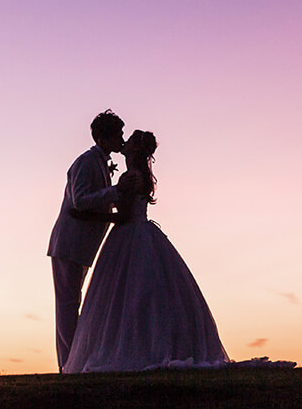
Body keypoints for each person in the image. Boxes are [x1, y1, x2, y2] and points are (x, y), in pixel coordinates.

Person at [62, 130, 231, 373]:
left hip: (129, 235)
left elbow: (122, 216)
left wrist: (86, 215)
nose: (124, 142)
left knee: (130, 296)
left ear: (135, 150)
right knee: (136, 296)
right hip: (137, 234)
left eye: (128, 141)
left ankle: (136, 349)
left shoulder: (132, 177)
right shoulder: (135, 175)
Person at [46, 110, 136, 372]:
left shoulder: (101, 162)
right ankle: (67, 366)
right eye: (117, 133)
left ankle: (73, 363)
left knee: (73, 304)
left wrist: (113, 215)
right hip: (69, 244)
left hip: (81, 246)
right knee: (67, 307)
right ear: (103, 137)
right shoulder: (86, 162)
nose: (121, 138)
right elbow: (81, 200)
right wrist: (116, 192)